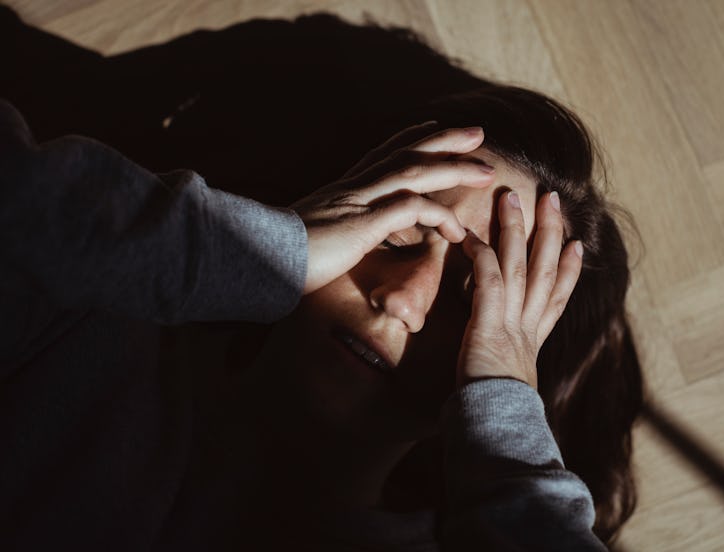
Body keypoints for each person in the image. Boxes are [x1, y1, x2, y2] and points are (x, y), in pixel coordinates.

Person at [0, 80, 640, 550]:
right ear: (342, 212)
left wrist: (503, 421)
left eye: (472, 302)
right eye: (398, 237)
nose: (401, 299)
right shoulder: (89, 309)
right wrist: (267, 247)